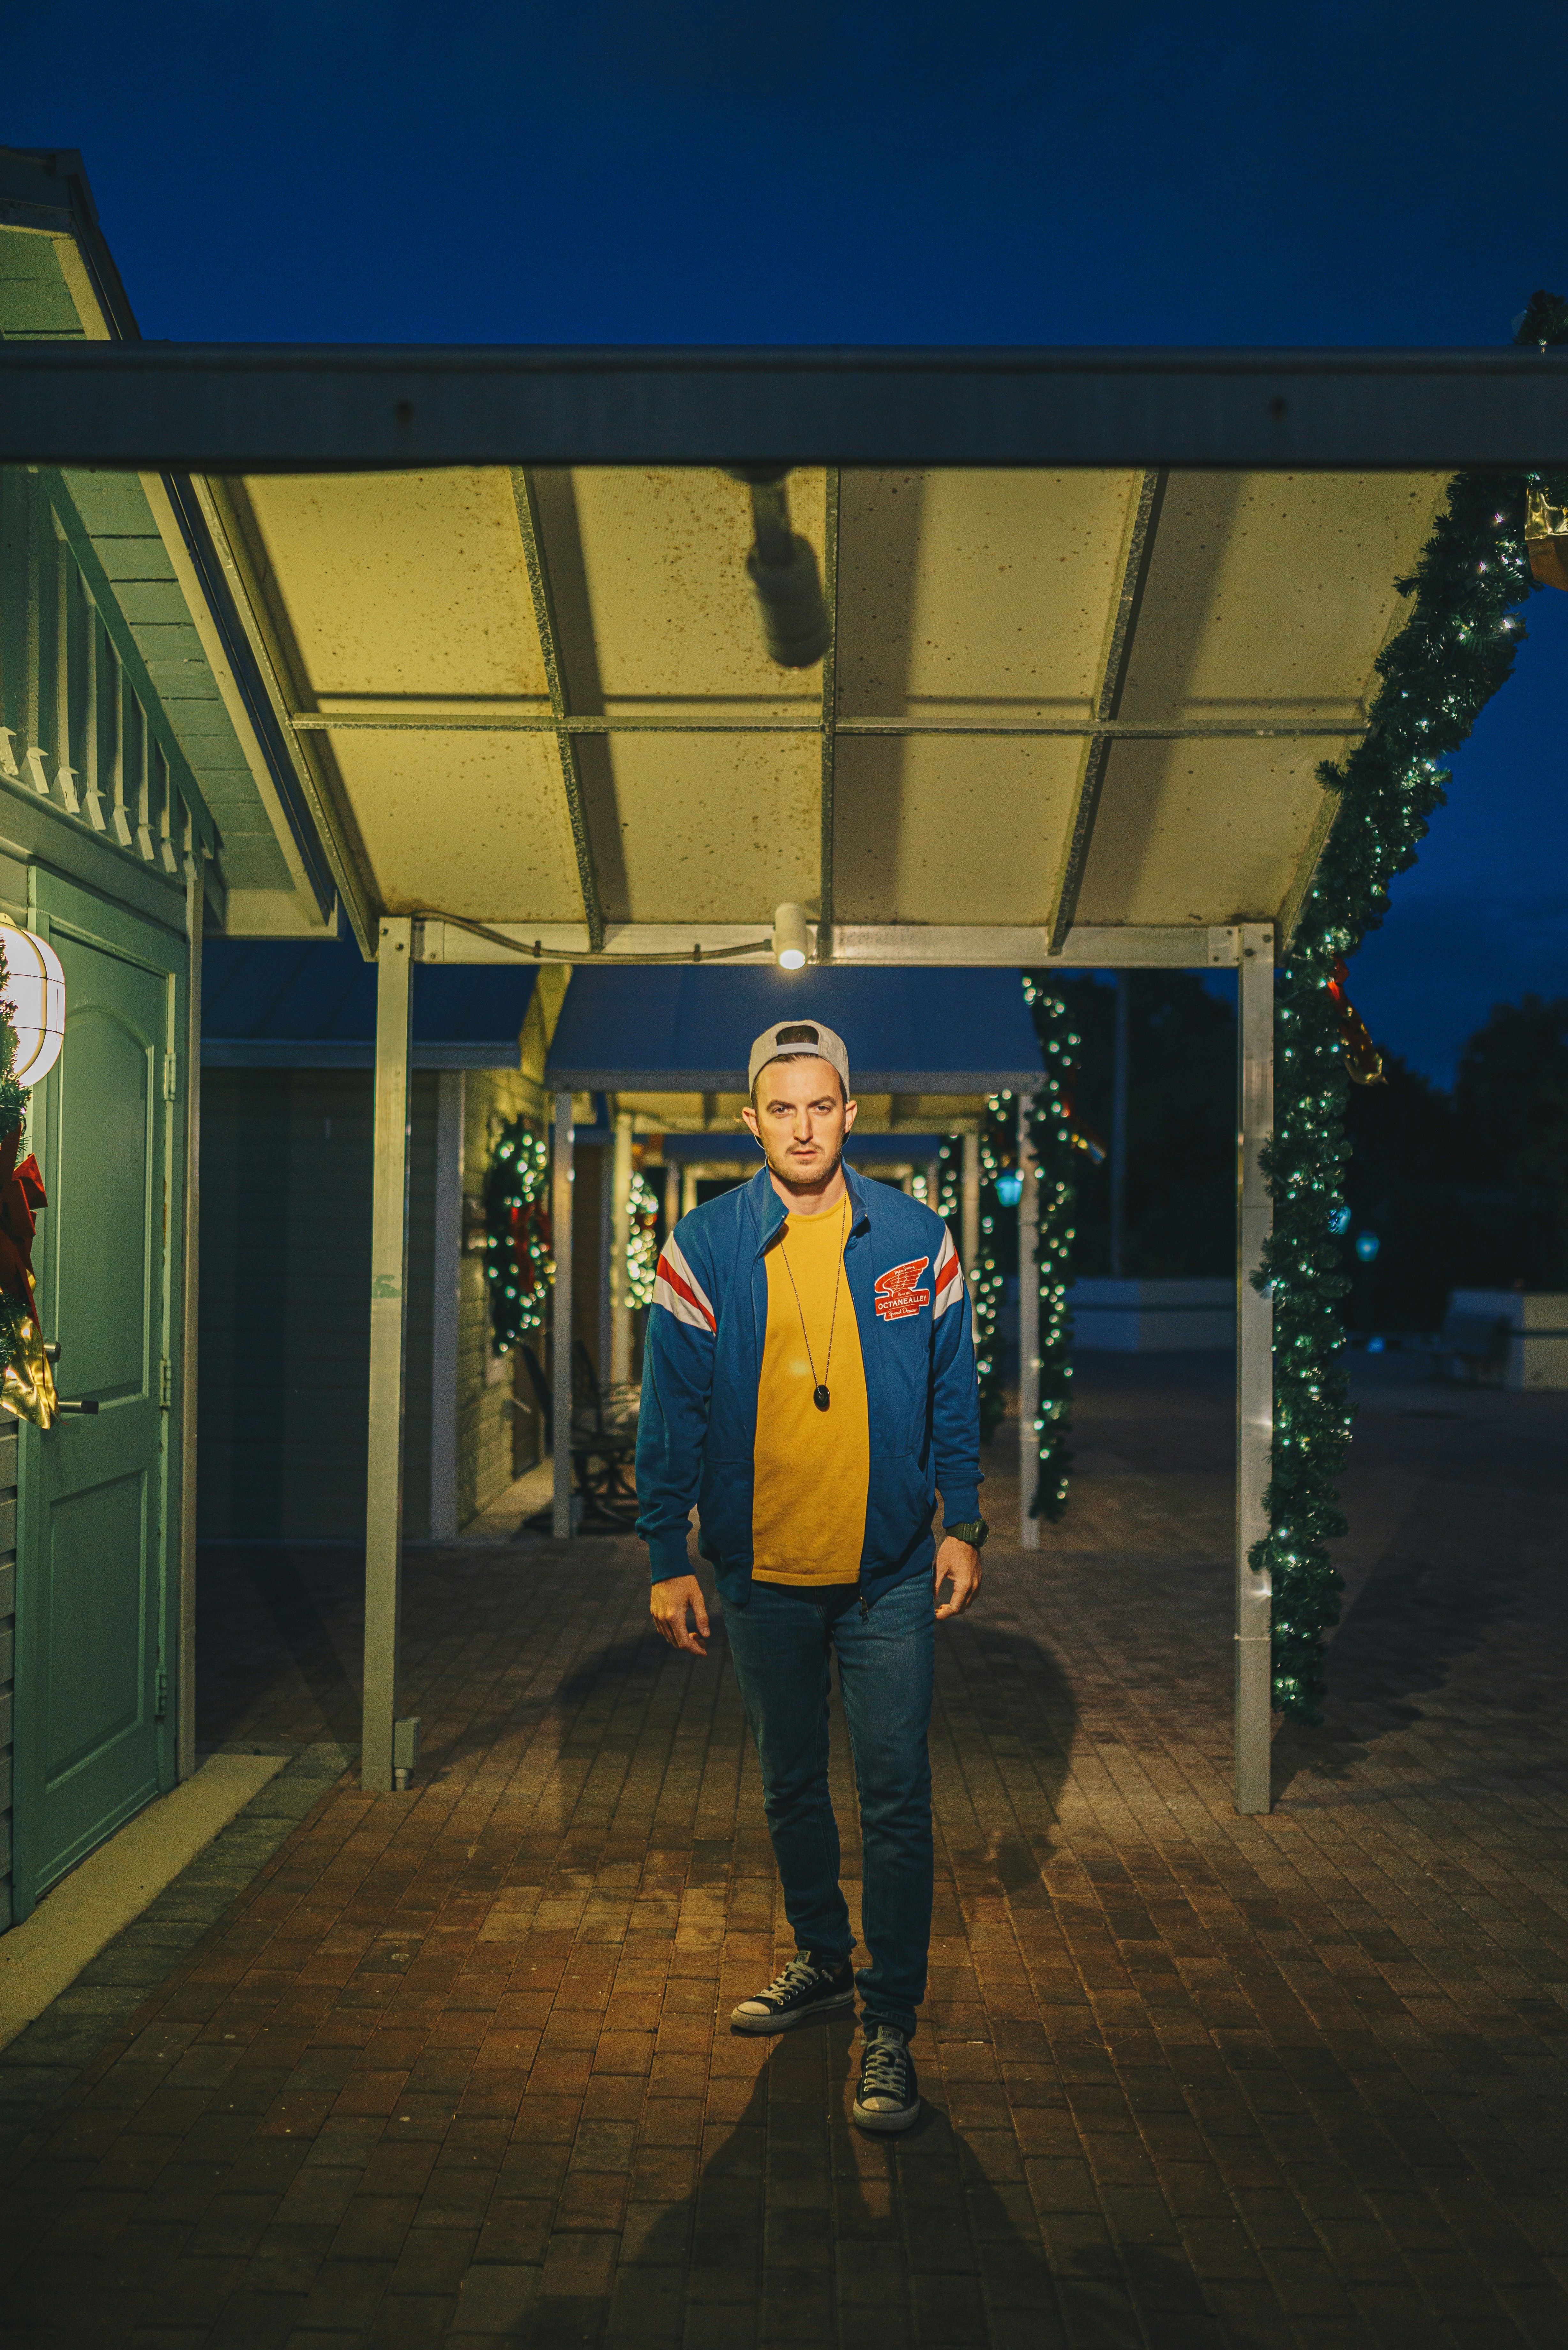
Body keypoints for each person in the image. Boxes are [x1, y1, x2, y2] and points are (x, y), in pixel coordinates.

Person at [636, 1016, 986, 2133]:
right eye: (781, 1109)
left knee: (896, 1798)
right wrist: (666, 1554)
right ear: (752, 1121)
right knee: (790, 1786)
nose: (802, 1128)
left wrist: (964, 1520)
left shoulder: (918, 1238)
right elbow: (672, 1410)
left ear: (850, 1112)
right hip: (762, 1574)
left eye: (820, 1106)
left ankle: (891, 2022)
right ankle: (825, 1960)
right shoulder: (703, 1246)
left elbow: (954, 1391)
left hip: (890, 1574)